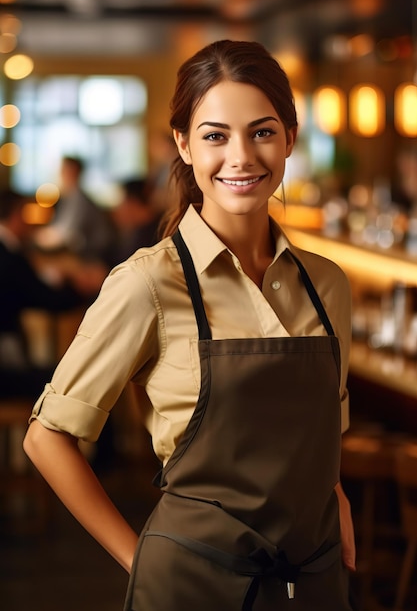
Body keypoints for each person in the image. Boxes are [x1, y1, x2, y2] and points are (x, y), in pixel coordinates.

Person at [24, 40, 356, 610]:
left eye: (262, 132)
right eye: (214, 135)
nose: (242, 157)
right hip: (192, 590)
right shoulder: (148, 283)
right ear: (183, 143)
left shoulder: (328, 285)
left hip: (314, 584)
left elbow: (320, 435)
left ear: (290, 139)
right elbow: (46, 436)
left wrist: (335, 495)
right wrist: (144, 562)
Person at [0, 188, 102, 398]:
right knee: (84, 385)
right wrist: (84, 286)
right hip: (5, 366)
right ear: (17, 215)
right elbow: (51, 300)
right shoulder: (10, 257)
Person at [34, 155, 117, 266]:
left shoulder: (79, 199)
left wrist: (42, 236)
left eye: (63, 170)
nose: (60, 174)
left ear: (73, 172)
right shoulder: (69, 197)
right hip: (81, 252)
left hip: (92, 257)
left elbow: (67, 234)